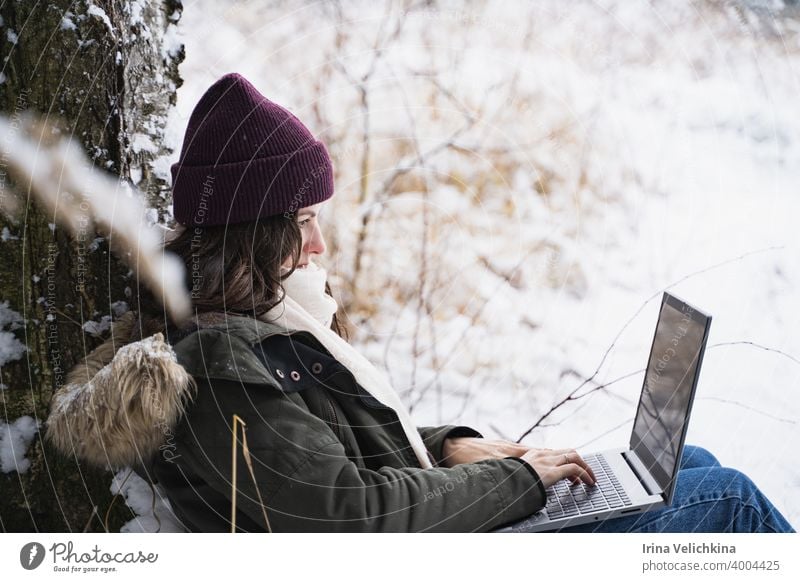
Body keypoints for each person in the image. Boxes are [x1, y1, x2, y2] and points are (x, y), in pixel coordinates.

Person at [45, 73, 795, 534]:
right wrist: (521, 481)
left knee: (686, 464)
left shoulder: (255, 331)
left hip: (432, 520)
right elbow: (347, 517)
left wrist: (449, 446)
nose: (319, 249)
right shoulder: (220, 364)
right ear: (253, 237)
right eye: (303, 226)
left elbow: (324, 454)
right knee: (724, 500)